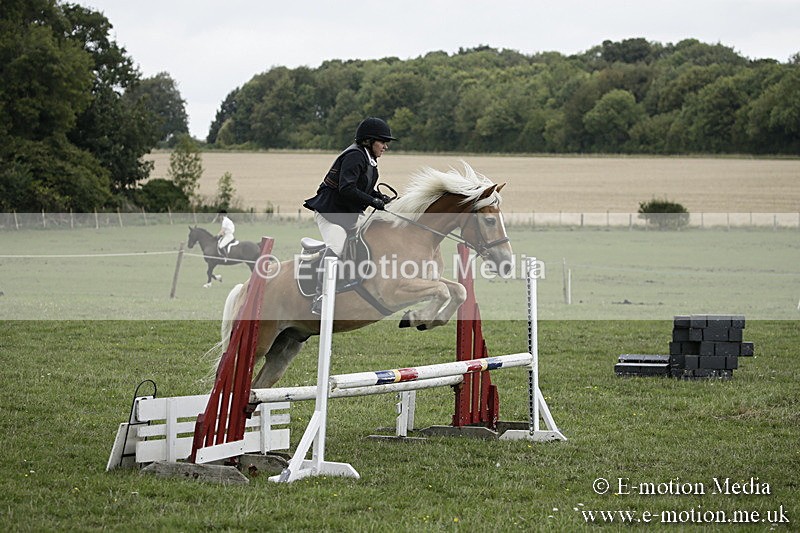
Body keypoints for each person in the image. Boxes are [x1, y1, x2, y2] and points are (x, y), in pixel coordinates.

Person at [303, 117, 396, 314]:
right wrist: (373, 202)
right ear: (369, 141)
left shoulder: (369, 160)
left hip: (347, 214)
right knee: (337, 244)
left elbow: (364, 189)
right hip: (330, 213)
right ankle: (320, 295)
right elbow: (347, 189)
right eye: (382, 141)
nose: (386, 146)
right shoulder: (355, 156)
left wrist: (380, 197)